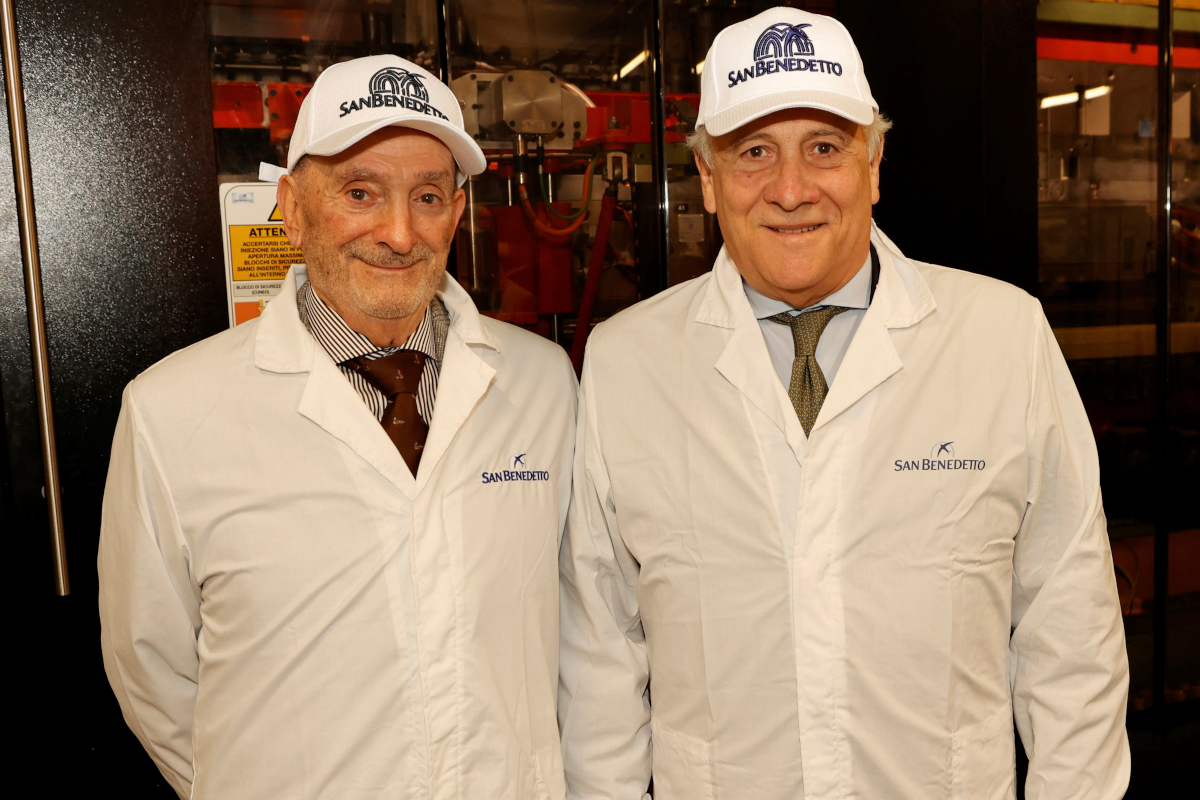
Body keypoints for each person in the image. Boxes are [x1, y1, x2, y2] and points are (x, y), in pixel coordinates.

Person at [558, 8, 1129, 800]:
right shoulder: (628, 362)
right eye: (754, 151)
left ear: (875, 164)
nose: (791, 189)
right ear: (709, 179)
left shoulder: (1002, 337)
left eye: (824, 148)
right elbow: (600, 649)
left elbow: (1071, 625)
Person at [99, 55, 575, 799]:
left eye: (427, 196)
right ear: (291, 206)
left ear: (456, 213)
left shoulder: (545, 384)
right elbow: (151, 671)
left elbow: (581, 631)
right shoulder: (171, 412)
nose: (398, 233)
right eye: (360, 192)